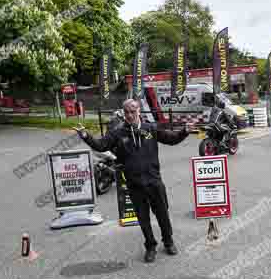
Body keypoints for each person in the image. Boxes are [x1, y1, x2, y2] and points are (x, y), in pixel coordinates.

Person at [74, 98, 189, 263]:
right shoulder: (118, 133)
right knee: (143, 218)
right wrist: (86, 136)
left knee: (162, 214)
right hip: (134, 184)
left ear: (139, 111)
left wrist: (184, 132)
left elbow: (171, 139)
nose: (130, 115)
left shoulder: (151, 128)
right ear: (123, 113)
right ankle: (150, 246)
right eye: (126, 112)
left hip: (154, 181)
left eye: (133, 111)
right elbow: (101, 146)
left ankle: (168, 241)